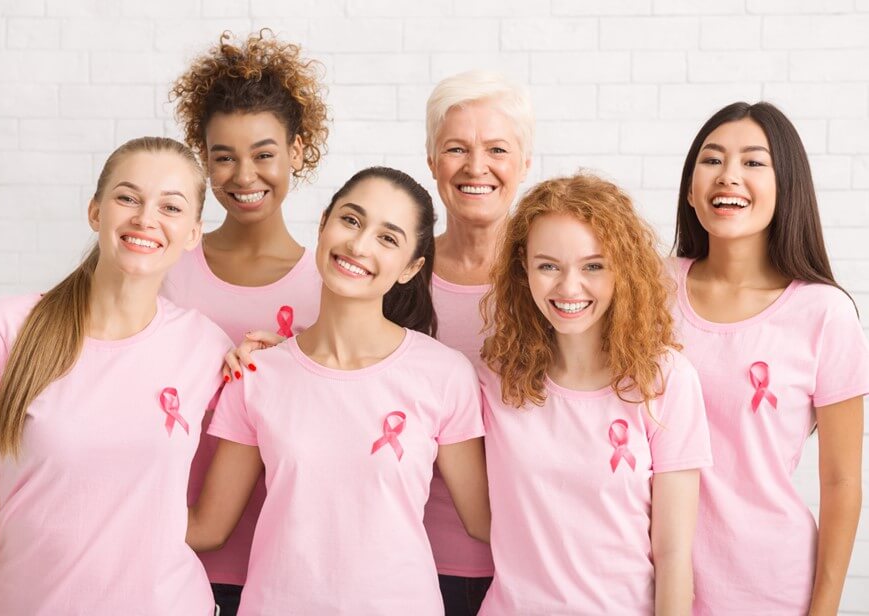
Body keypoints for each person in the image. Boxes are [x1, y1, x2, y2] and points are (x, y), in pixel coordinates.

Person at [0, 137, 233, 615]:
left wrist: (277, 355)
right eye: (127, 198)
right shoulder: (6, 329)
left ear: (193, 233)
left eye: (170, 206)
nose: (146, 218)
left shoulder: (208, 347)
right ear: (96, 211)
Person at [188, 167, 491, 615]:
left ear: (411, 268)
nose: (359, 244)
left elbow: (485, 522)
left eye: (388, 238)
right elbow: (209, 528)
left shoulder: (444, 375)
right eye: (351, 220)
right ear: (325, 223)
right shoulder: (258, 372)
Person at [478, 174, 712, 615]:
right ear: (522, 269)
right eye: (548, 265)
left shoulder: (666, 381)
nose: (569, 288)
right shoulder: (493, 379)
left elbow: (674, 555)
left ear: (623, 269)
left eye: (593, 266)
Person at [671, 101, 869, 615]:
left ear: (787, 188)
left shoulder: (824, 313)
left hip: (769, 588)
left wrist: (824, 608)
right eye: (711, 160)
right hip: (647, 580)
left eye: (754, 163)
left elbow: (843, 481)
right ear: (691, 189)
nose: (729, 176)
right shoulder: (648, 289)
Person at [167, 30, 330, 615]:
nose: (244, 175)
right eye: (223, 157)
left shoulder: (330, 287)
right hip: (164, 547)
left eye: (264, 153)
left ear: (298, 150)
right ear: (202, 157)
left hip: (284, 565)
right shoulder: (166, 267)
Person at [422, 69, 532, 616]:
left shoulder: (559, 284)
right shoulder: (395, 273)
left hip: (533, 563)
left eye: (497, 149)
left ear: (525, 164)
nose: (475, 167)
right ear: (430, 161)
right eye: (456, 149)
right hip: (415, 557)